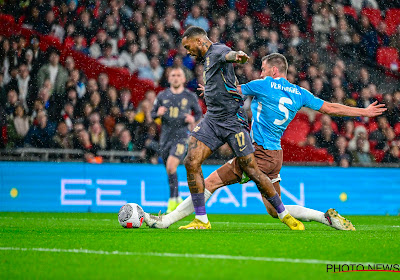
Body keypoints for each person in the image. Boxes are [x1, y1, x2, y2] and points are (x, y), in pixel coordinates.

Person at [144, 53, 386, 231]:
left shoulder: (264, 84)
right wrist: (364, 112)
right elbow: (331, 108)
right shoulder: (299, 93)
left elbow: (233, 91)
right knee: (274, 209)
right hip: (275, 156)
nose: (259, 73)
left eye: (262, 68)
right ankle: (326, 217)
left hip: (257, 153)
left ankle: (166, 221)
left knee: (210, 182)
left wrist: (208, 90)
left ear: (273, 71)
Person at [180, 27, 304, 230]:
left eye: (188, 46)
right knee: (191, 161)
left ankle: (284, 214)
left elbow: (229, 56)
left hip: (232, 121)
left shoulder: (218, 50)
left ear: (199, 41)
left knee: (253, 170)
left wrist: (238, 57)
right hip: (212, 119)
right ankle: (201, 220)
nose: (187, 51)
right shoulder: (207, 59)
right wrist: (211, 90)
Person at [151, 66, 202, 214]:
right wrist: (157, 113)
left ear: (184, 79)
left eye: (178, 75)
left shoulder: (190, 96)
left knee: (171, 166)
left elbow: (198, 113)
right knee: (169, 169)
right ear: (169, 78)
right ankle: (177, 197)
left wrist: (193, 118)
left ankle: (172, 200)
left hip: (181, 136)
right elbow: (152, 113)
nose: (175, 77)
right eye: (173, 75)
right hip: (165, 138)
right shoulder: (162, 96)